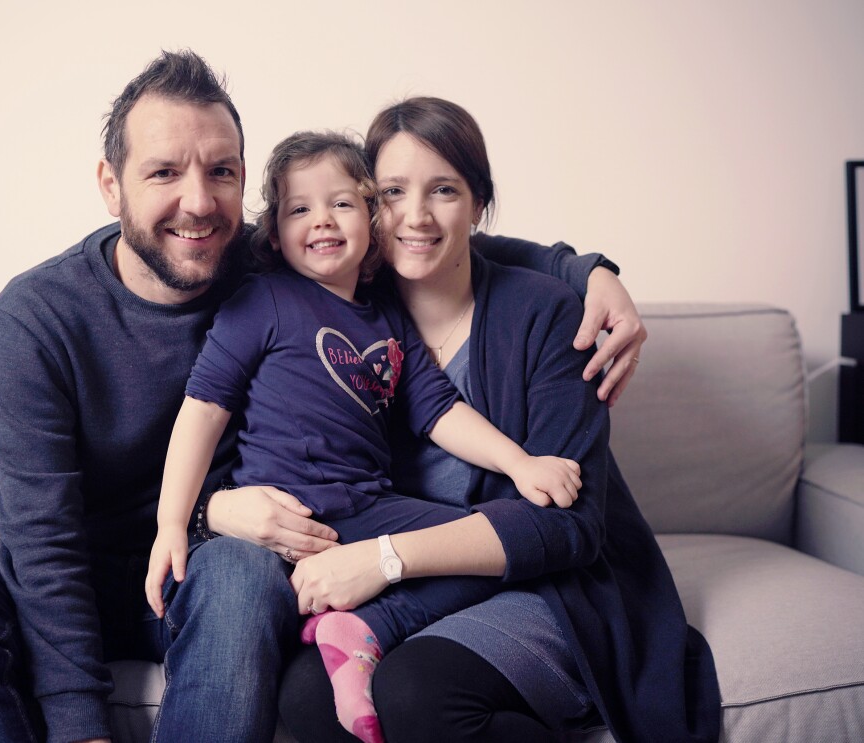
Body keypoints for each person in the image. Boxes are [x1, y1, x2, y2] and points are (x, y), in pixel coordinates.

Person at [0, 48, 646, 743]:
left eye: (221, 172)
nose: (198, 202)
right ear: (110, 184)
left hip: (214, 569)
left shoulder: (271, 259)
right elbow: (42, 543)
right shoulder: (37, 316)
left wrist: (586, 270)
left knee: (240, 574)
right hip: (92, 564)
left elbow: (423, 234)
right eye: (164, 172)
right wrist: (82, 726)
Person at [277, 97, 721, 743]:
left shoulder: (546, 314)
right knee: (307, 696)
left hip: (545, 585)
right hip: (414, 592)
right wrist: (216, 508)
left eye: (444, 190)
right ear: (368, 204)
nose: (416, 215)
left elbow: (570, 526)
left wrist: (385, 558)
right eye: (394, 191)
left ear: (479, 204)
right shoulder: (339, 311)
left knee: (417, 691)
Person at [145, 131, 582, 742]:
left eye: (342, 204)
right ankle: (366, 626)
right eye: (300, 208)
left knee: (489, 544)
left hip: (368, 506)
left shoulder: (387, 315)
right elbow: (203, 409)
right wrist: (173, 523)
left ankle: (362, 628)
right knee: (481, 551)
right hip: (291, 515)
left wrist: (520, 464)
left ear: (373, 221)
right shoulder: (263, 300)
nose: (322, 220)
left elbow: (438, 410)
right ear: (275, 234)